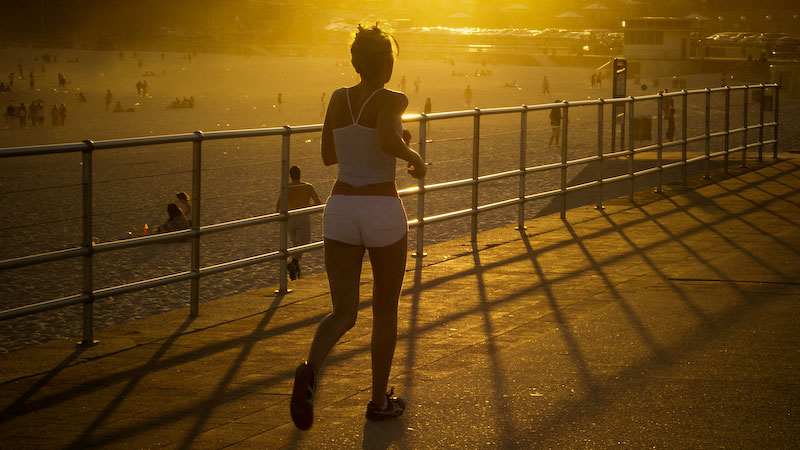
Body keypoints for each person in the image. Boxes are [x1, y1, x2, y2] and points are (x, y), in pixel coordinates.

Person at [290, 23, 426, 430]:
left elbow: (329, 155)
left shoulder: (337, 98)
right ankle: (378, 401)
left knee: (343, 312)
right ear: (385, 62)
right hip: (381, 208)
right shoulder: (394, 97)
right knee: (385, 310)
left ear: (355, 62)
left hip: (341, 208)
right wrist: (414, 156)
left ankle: (310, 369)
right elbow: (387, 141)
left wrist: (364, 144)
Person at [275, 165, 321, 280]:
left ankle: (297, 267)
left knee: (295, 244)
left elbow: (278, 205)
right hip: (302, 217)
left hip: (290, 217)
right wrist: (307, 205)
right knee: (303, 244)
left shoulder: (287, 188)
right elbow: (318, 202)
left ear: (290, 176)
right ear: (300, 174)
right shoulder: (308, 187)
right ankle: (294, 263)